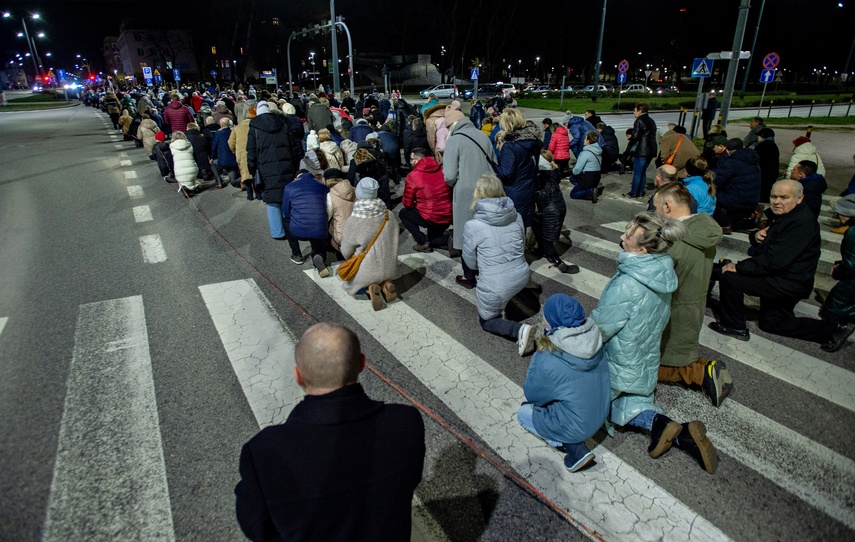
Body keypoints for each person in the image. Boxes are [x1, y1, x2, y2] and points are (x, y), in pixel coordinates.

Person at [235, 322, 425, 542]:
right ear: (362, 364)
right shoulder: (405, 422)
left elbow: (256, 527)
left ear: (298, 376)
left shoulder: (263, 453)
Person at [591, 211, 719, 474]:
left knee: (600, 403)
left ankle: (661, 425)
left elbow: (600, 328)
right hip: (644, 357)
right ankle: (677, 431)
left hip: (619, 358)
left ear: (642, 250)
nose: (621, 238)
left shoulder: (628, 283)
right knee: (631, 402)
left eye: (628, 236)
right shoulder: (662, 272)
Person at [709, 180, 854, 352]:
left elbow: (774, 261)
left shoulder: (800, 223)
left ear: (799, 199)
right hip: (786, 278)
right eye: (774, 196)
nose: (777, 201)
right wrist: (755, 236)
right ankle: (832, 329)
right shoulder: (785, 215)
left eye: (784, 197)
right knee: (772, 323)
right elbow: (766, 246)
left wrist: (739, 267)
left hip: (787, 281)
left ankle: (734, 326)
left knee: (730, 278)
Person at [652, 184, 731, 407]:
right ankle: (699, 368)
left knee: (652, 367)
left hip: (674, 308)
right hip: (693, 301)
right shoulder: (702, 228)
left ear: (667, 206)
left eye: (657, 208)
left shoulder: (675, 242)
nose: (656, 213)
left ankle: (700, 372)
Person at [518, 294, 610, 472]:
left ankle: (572, 446)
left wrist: (538, 357)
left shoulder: (550, 355)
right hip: (600, 413)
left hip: (577, 427)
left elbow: (532, 393)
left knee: (523, 412)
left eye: (546, 313)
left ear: (554, 321)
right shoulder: (594, 339)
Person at [462, 174, 535, 356]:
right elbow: (522, 244)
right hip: (522, 274)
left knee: (487, 321)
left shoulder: (473, 225)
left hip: (496, 285)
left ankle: (519, 331)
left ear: (478, 194)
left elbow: (469, 260)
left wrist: (478, 271)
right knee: (506, 289)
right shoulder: (517, 216)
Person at [443, 103, 498, 288]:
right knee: (485, 233)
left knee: (467, 235)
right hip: (489, 190)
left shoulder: (454, 140)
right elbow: (494, 161)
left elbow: (449, 175)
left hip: (467, 194)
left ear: (452, 125)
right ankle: (485, 270)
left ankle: (469, 275)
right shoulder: (483, 135)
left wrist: (455, 182)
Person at [247, 100, 305, 239]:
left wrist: (252, 169)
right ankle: (292, 228)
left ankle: (278, 232)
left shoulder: (254, 127)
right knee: (287, 196)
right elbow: (294, 147)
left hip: (265, 168)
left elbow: (251, 152)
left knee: (272, 199)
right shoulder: (283, 124)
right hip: (287, 166)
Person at [340, 178, 400, 310]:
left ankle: (369, 288)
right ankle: (386, 284)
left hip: (366, 271)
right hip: (389, 267)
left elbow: (346, 250)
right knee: (383, 270)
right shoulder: (388, 214)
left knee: (351, 279)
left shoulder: (355, 219)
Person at [495, 108, 542, 229]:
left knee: (513, 227)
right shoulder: (533, 141)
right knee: (524, 225)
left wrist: (493, 166)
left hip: (514, 191)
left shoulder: (510, 146)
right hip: (529, 188)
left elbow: (506, 173)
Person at [400, 148, 453, 252]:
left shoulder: (413, 176)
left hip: (430, 216)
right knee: (433, 240)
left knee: (403, 213)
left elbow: (407, 203)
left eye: (411, 159)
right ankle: (448, 240)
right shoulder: (442, 170)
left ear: (417, 160)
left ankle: (422, 242)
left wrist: (418, 206)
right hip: (447, 215)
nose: (410, 161)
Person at [281, 170, 331, 276]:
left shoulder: (289, 187)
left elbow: (286, 211)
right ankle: (319, 254)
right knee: (318, 222)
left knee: (286, 220)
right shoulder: (321, 186)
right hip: (319, 229)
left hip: (298, 230)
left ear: (296, 178)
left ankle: (297, 254)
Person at [533, 150, 576, 273]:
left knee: (548, 238)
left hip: (552, 210)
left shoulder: (545, 175)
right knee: (538, 226)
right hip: (555, 207)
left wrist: (530, 193)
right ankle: (541, 250)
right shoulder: (553, 171)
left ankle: (556, 260)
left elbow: (544, 193)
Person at [712, 138, 761, 234]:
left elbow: (718, 182)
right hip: (752, 199)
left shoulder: (731, 162)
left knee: (711, 194)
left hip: (735, 200)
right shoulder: (753, 161)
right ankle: (744, 223)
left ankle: (724, 224)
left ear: (727, 150)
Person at [820, 195, 855, 328]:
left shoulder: (852, 232)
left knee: (834, 309)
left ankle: (838, 332)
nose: (838, 215)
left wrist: (838, 270)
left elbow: (851, 265)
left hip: (851, 283)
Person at [624, 103, 657, 199]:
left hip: (642, 150)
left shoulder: (639, 120)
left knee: (637, 172)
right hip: (651, 149)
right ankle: (641, 192)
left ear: (640, 111)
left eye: (635, 110)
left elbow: (635, 135)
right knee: (643, 172)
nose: (634, 112)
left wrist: (631, 141)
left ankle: (634, 193)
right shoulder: (651, 121)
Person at [229, 107, 260, 200]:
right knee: (255, 172)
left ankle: (249, 194)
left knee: (245, 173)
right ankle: (258, 194)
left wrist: (234, 150)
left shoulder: (237, 128)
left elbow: (230, 143)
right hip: (254, 151)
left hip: (241, 152)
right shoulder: (256, 126)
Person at [170, 131, 214, 198]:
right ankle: (194, 188)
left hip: (179, 170)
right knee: (192, 179)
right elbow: (195, 156)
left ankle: (185, 189)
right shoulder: (189, 144)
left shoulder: (172, 147)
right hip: (192, 168)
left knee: (183, 180)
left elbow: (170, 161)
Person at [323, 168, 356, 255]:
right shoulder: (354, 190)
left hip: (342, 236)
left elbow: (327, 216)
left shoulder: (329, 196)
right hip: (358, 231)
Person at [568, 130, 604, 203]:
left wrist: (572, 171)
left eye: (585, 138)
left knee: (573, 194)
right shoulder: (598, 151)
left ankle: (590, 191)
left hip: (587, 178)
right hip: (597, 177)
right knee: (572, 179)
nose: (584, 140)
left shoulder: (585, 153)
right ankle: (589, 188)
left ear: (588, 141)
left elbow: (577, 170)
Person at [211, 118, 239, 188]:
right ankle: (241, 181)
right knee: (233, 180)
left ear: (221, 125)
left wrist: (213, 157)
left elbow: (214, 147)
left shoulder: (218, 134)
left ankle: (219, 182)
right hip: (234, 160)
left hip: (222, 161)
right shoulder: (233, 132)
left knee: (212, 163)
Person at [754, 127, 780, 204]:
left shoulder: (761, 146)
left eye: (758, 136)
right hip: (772, 174)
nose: (757, 138)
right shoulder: (774, 146)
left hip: (762, 174)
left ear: (762, 136)